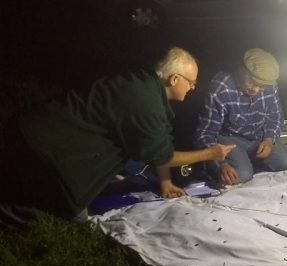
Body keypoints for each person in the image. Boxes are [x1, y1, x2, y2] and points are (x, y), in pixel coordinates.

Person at [0, 46, 235, 227]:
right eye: (191, 82)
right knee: (67, 214)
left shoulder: (145, 85)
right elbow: (163, 155)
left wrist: (165, 182)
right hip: (45, 150)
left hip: (32, 131)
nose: (193, 88)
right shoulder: (146, 105)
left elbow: (159, 144)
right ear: (174, 79)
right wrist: (210, 153)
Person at [194, 48, 287, 186]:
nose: (256, 90)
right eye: (252, 82)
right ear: (241, 71)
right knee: (241, 175)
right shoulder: (221, 88)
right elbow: (205, 133)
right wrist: (219, 165)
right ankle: (240, 164)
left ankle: (248, 161)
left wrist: (269, 140)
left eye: (261, 86)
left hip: (258, 136)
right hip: (230, 139)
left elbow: (275, 116)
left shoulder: (270, 85)